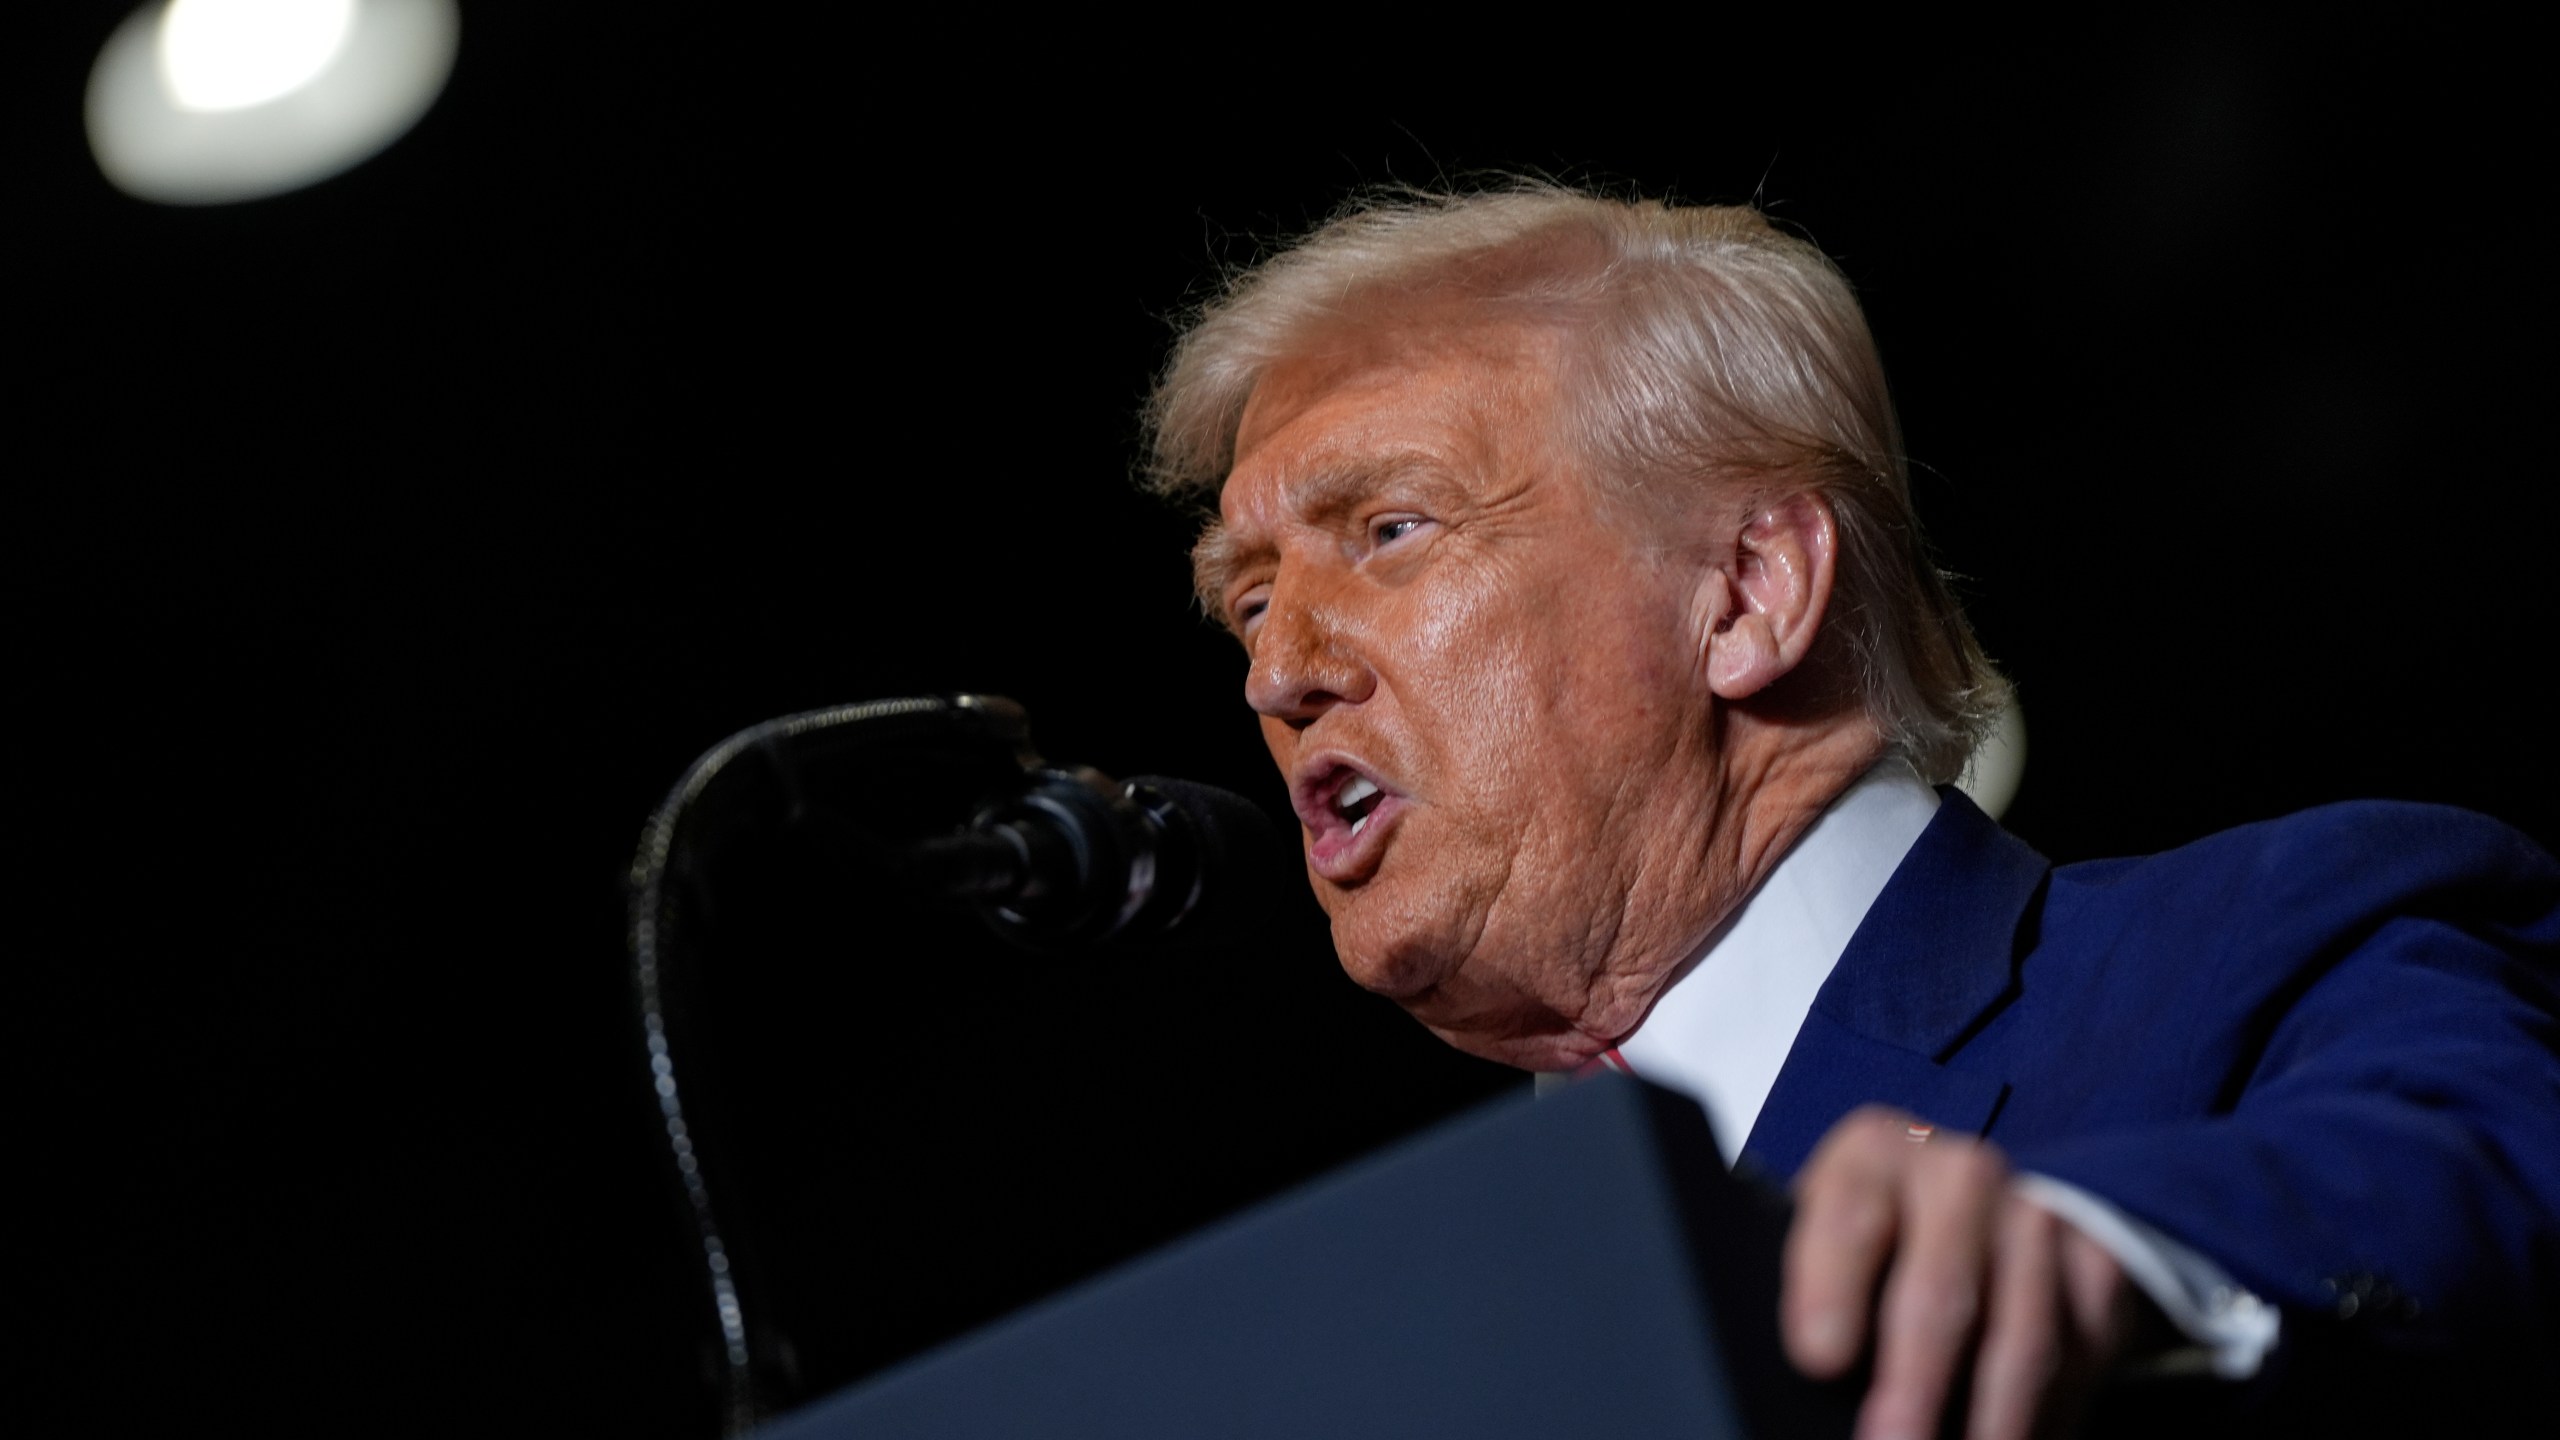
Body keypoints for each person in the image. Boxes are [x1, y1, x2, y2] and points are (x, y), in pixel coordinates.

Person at [1141, 187, 2560, 1439]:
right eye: (1249, 603)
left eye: (1390, 531)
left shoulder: (2271, 939)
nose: (1276, 674)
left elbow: (2475, 1169)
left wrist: (2098, 1258)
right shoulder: (1428, 1316)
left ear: (1749, 593)